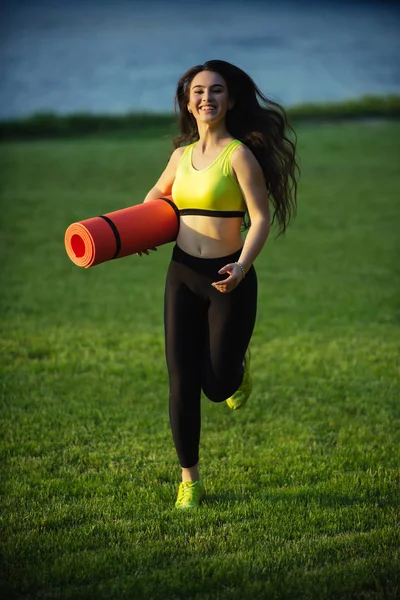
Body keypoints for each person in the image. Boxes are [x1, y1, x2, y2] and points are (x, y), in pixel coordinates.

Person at [139, 60, 299, 509]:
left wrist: (243, 265)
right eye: (198, 92)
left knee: (217, 384)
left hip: (229, 277)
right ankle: (189, 479)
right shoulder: (180, 156)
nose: (206, 98)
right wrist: (145, 226)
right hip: (182, 274)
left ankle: (237, 372)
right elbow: (155, 197)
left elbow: (261, 218)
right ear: (188, 103)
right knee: (181, 381)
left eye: (216, 91)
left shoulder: (239, 155)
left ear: (230, 100)